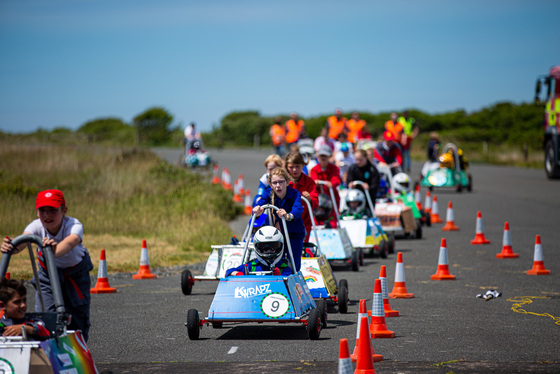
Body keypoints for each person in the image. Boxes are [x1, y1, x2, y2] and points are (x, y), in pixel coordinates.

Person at [1, 189, 94, 341]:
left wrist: (53, 250)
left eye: (52, 210)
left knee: (76, 316)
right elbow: (23, 240)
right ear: (37, 213)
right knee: (46, 314)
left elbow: (70, 243)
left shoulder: (73, 225)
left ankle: (76, 351)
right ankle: (47, 350)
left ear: (64, 210)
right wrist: (10, 247)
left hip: (75, 274)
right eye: (42, 210)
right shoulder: (36, 226)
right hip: (48, 275)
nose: (47, 215)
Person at [253, 168, 305, 271]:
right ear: (271, 184)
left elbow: (298, 209)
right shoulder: (268, 193)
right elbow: (260, 203)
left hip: (294, 234)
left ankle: (294, 280)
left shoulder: (294, 193)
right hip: (276, 235)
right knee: (274, 260)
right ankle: (275, 281)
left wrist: (288, 216)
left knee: (293, 263)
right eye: (275, 183)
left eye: (281, 182)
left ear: (287, 182)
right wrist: (257, 210)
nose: (278, 185)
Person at [225, 226, 292, 276]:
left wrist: (280, 277)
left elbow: (289, 281)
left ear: (279, 247)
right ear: (258, 248)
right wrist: (238, 274)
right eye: (265, 248)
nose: (269, 251)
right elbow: (228, 271)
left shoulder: (284, 268)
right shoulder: (253, 265)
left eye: (273, 247)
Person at [284, 151, 319, 242]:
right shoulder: (284, 181)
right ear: (287, 167)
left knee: (301, 246)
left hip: (304, 222)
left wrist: (309, 199)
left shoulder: (309, 182)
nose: (294, 170)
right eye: (291, 167)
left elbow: (316, 202)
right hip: (286, 220)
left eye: (297, 167)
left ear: (303, 166)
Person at [309, 145, 341, 227]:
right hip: (319, 200)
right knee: (316, 218)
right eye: (321, 156)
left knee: (332, 220)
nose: (323, 158)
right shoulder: (314, 169)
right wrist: (315, 182)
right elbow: (313, 180)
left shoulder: (334, 168)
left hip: (331, 198)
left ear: (329, 157)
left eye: (325, 156)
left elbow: (336, 180)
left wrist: (331, 184)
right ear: (318, 157)